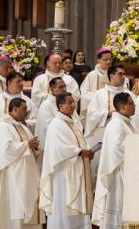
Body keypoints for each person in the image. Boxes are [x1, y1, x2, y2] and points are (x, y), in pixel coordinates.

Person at [0, 98, 42, 229]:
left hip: (27, 174)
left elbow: (26, 148)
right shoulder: (3, 127)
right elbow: (6, 151)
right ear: (14, 109)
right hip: (12, 176)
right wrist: (27, 144)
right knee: (15, 208)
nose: (26, 113)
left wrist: (35, 149)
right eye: (23, 110)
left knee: (28, 206)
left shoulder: (23, 127)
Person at [40, 92, 94, 228]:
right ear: (60, 105)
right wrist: (80, 152)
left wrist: (88, 150)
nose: (73, 105)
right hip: (63, 173)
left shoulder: (73, 122)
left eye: (73, 102)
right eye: (69, 102)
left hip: (77, 168)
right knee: (64, 204)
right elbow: (58, 149)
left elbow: (80, 141)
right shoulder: (56, 124)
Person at [92, 93, 137, 228]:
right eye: (131, 103)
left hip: (127, 170)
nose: (134, 106)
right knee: (118, 204)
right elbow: (116, 148)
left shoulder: (126, 123)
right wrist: (138, 147)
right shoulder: (116, 124)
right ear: (122, 107)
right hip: (117, 173)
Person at [85, 64, 134, 180]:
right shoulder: (99, 94)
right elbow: (91, 116)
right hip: (101, 136)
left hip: (123, 136)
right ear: (111, 76)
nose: (123, 77)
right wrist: (108, 114)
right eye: (120, 74)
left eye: (124, 74)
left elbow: (135, 116)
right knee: (101, 173)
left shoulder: (130, 95)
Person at [0, 72, 36, 137]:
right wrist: (3, 124)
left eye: (22, 81)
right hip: (1, 136)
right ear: (9, 83)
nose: (22, 84)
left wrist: (25, 123)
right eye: (18, 81)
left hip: (21, 137)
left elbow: (35, 120)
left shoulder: (28, 101)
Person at [36, 77, 81, 145]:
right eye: (61, 87)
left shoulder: (69, 103)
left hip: (72, 140)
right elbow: (48, 128)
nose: (64, 89)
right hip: (56, 142)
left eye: (65, 86)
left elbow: (77, 121)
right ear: (52, 89)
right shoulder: (46, 105)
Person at [80, 47, 113, 117]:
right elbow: (84, 92)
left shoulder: (115, 74)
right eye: (105, 60)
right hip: (96, 109)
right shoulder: (92, 75)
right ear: (99, 60)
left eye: (110, 59)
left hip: (112, 108)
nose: (108, 62)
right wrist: (99, 97)